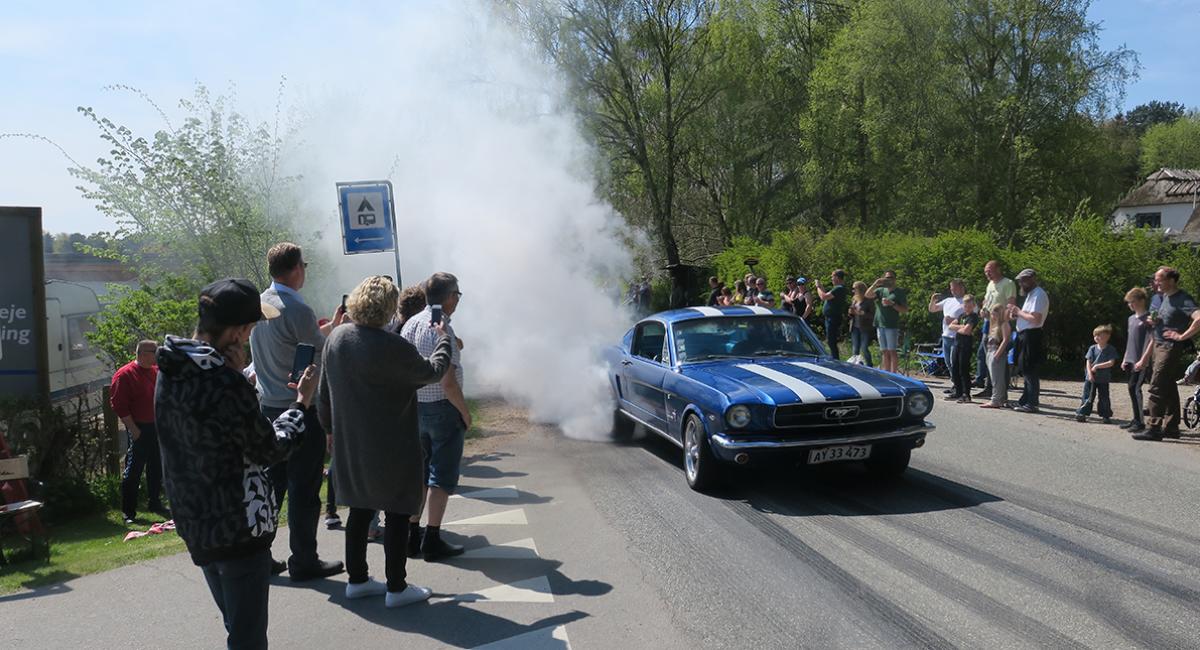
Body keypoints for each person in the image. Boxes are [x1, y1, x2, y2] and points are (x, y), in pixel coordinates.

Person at [156, 278, 317, 649]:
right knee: (247, 640)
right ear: (236, 331)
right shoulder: (223, 383)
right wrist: (301, 405)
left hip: (197, 522)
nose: (248, 337)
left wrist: (237, 377)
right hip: (237, 527)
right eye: (248, 329)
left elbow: (211, 432)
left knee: (237, 628)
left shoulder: (172, 367)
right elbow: (269, 449)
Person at [318, 276, 454, 607]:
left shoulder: (337, 338)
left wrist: (328, 430)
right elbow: (432, 371)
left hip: (351, 441)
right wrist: (443, 339)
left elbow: (323, 393)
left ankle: (358, 580)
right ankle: (397, 587)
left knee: (360, 510)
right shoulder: (391, 346)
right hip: (392, 442)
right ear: (389, 307)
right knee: (396, 510)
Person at [249, 242, 345, 580]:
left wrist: (329, 327)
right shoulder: (298, 309)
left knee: (272, 488)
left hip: (267, 407)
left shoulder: (259, 304)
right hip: (300, 407)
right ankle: (304, 560)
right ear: (296, 269)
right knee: (304, 490)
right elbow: (318, 358)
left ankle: (260, 556)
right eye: (304, 265)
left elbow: (292, 344)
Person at [401, 273, 471, 561]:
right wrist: (465, 413)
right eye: (458, 295)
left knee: (419, 472)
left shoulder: (410, 324)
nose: (458, 300)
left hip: (415, 408)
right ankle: (432, 538)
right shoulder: (444, 331)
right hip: (443, 409)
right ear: (449, 296)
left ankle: (411, 535)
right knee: (440, 476)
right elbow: (448, 382)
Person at [1137, 266, 1200, 440]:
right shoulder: (1165, 297)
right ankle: (1172, 428)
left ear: (1171, 280)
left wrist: (1181, 336)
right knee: (1169, 386)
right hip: (1158, 344)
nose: (1156, 282)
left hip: (1169, 348)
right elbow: (1167, 319)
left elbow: (1199, 317)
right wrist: (1155, 321)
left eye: (1159, 279)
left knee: (1156, 386)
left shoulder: (1182, 298)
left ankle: (1154, 429)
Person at [111, 340, 164, 524]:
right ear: (142, 353)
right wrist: (133, 429)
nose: (157, 355)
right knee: (133, 470)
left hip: (156, 426)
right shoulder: (125, 375)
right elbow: (119, 405)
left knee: (156, 466)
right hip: (139, 427)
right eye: (154, 351)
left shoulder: (155, 371)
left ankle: (155, 503)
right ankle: (128, 512)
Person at [975, 261, 1018, 398]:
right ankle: (989, 387)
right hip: (988, 322)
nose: (987, 274)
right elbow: (986, 300)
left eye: (990, 271)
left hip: (1000, 324)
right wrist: (983, 309)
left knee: (998, 357)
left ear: (998, 269)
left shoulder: (1008, 283)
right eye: (986, 271)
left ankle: (1001, 391)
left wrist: (1004, 320)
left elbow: (1011, 304)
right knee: (985, 355)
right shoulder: (990, 284)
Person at [1009, 268, 1049, 413]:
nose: (1021, 283)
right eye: (1020, 281)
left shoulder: (1038, 294)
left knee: (1030, 369)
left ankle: (1032, 402)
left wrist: (1018, 311)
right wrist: (1016, 315)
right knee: (1024, 367)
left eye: (1023, 280)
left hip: (1032, 335)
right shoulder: (1031, 295)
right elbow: (1026, 316)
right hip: (1024, 334)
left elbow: (1035, 318)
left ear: (1032, 279)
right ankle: (1025, 399)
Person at [1121, 287, 1153, 433]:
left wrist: (1144, 359)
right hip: (1130, 359)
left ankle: (1140, 422)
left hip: (1141, 360)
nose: (1130, 305)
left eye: (1132, 302)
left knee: (1134, 388)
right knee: (1131, 389)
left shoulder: (1149, 319)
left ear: (1141, 300)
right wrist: (1125, 358)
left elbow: (1152, 340)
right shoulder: (1130, 319)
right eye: (1129, 303)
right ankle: (1135, 419)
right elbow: (1130, 340)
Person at [929, 280, 966, 397]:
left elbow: (971, 315)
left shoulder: (966, 301)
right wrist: (932, 300)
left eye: (955, 288)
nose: (952, 290)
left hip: (957, 336)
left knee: (955, 363)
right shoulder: (948, 301)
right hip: (946, 335)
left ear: (962, 288)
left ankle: (960, 387)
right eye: (951, 288)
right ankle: (955, 384)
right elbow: (933, 309)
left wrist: (955, 320)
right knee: (948, 363)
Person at [866, 270, 908, 373]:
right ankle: (886, 373)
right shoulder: (880, 290)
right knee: (884, 351)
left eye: (891, 277)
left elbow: (905, 310)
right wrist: (876, 283)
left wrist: (892, 304)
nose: (888, 280)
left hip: (891, 325)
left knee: (892, 351)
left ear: (895, 279)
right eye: (886, 278)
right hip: (880, 324)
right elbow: (867, 295)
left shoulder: (899, 292)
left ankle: (894, 374)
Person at [1076, 325, 1118, 423]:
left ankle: (1106, 415)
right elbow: (1088, 362)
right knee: (1087, 396)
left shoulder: (1110, 349)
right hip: (1091, 378)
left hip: (1104, 379)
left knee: (1104, 397)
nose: (1097, 337)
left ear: (1107, 336)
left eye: (1100, 335)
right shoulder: (1092, 348)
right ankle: (1082, 413)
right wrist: (1089, 373)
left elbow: (1111, 363)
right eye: (1095, 335)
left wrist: (1097, 366)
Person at [947, 295, 979, 403]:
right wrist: (962, 327)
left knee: (963, 369)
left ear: (973, 306)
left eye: (969, 306)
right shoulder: (961, 316)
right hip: (957, 344)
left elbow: (967, 331)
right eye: (965, 305)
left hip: (966, 345)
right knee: (955, 367)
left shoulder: (973, 317)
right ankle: (958, 391)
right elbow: (950, 326)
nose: (967, 308)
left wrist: (960, 328)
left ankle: (966, 394)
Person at [980, 305, 1012, 409]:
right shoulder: (993, 325)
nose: (993, 316)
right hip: (989, 351)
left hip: (997, 352)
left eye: (996, 313)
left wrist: (997, 354)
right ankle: (1000, 398)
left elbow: (1006, 339)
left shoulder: (1004, 324)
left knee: (997, 378)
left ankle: (996, 399)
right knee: (993, 377)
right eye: (992, 313)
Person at [815, 270, 849, 359]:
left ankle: (835, 359)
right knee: (831, 341)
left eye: (832, 277)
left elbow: (823, 297)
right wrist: (821, 287)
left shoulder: (839, 288)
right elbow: (826, 295)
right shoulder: (837, 288)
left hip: (833, 318)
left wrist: (818, 287)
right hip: (830, 318)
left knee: (831, 341)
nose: (831, 279)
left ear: (837, 278)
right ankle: (834, 358)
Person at [848, 281, 875, 367]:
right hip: (855, 326)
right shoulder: (854, 299)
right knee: (855, 348)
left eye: (854, 289)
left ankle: (869, 365)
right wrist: (850, 312)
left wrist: (863, 313)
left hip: (865, 327)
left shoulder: (868, 300)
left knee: (864, 348)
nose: (853, 291)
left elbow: (873, 315)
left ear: (860, 289)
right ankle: (855, 366)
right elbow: (851, 313)